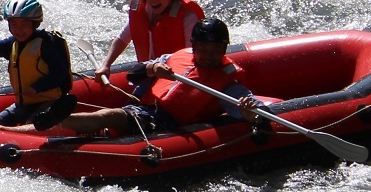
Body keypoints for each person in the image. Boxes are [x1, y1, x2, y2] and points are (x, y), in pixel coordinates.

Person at [60, 17, 260, 137]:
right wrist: (153, 69)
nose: (209, 56)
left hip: (163, 123)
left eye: (215, 50)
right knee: (113, 116)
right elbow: (133, 74)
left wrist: (249, 113)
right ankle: (41, 124)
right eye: (204, 49)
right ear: (194, 46)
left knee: (110, 116)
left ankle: (56, 120)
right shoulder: (174, 57)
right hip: (141, 108)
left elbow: (249, 108)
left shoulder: (226, 81)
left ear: (224, 49)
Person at [0, 0, 76, 131]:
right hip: (23, 103)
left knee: (31, 123)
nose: (19, 30)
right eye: (14, 24)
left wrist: (37, 87)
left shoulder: (46, 44)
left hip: (49, 101)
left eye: (24, 24)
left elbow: (59, 73)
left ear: (35, 24)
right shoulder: (13, 43)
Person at [97, 0, 205, 82]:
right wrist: (106, 65)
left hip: (176, 76)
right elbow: (123, 38)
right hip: (149, 72)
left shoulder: (188, 16)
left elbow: (191, 56)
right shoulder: (141, 6)